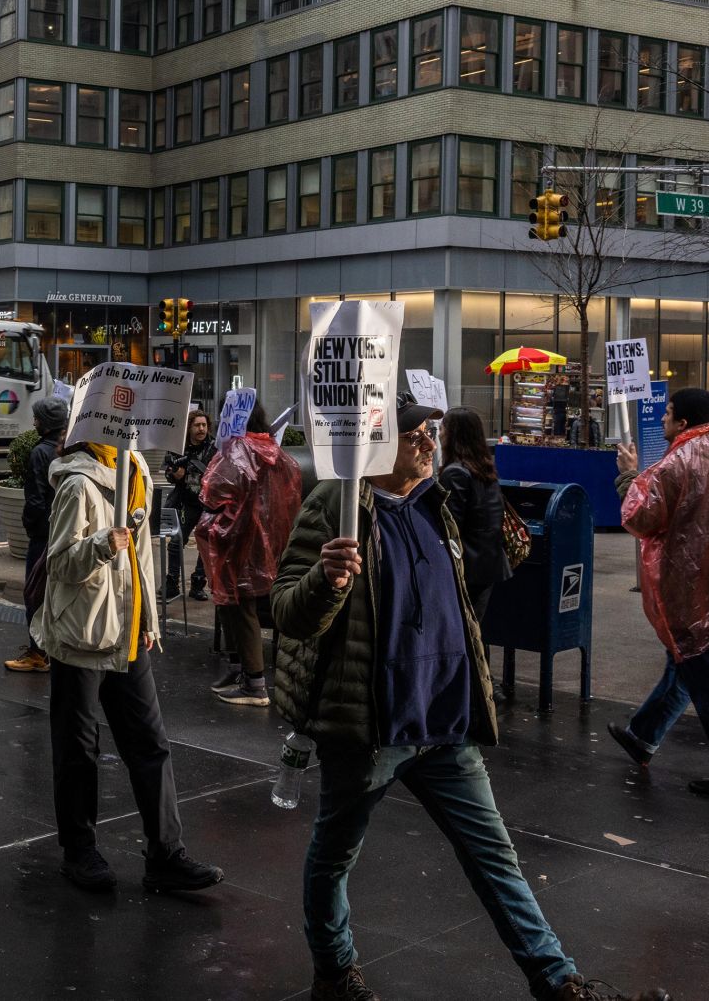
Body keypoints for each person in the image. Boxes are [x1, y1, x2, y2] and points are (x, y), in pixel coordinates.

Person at [272, 393, 669, 1001]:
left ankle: (558, 981)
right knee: (334, 855)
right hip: (372, 725)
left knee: (495, 858)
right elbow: (286, 614)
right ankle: (334, 969)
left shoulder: (438, 501)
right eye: (416, 436)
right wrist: (327, 582)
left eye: (432, 432)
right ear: (380, 444)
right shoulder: (336, 505)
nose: (431, 442)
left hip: (445, 718)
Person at [32, 438, 225, 895]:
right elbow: (58, 564)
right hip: (81, 634)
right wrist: (102, 543)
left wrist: (150, 620)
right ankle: (79, 851)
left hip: (128, 632)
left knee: (150, 744)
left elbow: (141, 560)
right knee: (79, 749)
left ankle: (166, 854)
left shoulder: (134, 469)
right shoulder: (78, 484)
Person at [607, 387, 709, 789]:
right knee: (686, 663)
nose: (663, 419)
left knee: (697, 667)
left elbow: (641, 515)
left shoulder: (679, 461)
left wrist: (629, 473)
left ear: (682, 422)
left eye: (667, 413)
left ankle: (643, 736)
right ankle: (643, 736)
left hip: (691, 590)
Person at [195, 403, 301, 707]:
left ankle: (254, 683)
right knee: (236, 604)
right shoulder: (273, 450)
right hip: (266, 541)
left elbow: (212, 492)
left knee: (239, 606)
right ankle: (241, 669)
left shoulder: (239, 450)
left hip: (236, 540)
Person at [5, 397, 68, 673]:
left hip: (44, 535)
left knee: (34, 592)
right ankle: (55, 650)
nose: (34, 422)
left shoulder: (39, 452)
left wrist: (34, 528)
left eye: (37, 418)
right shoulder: (70, 448)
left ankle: (37, 651)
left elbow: (36, 499)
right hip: (65, 530)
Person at [437, 407, 512, 623]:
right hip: (488, 565)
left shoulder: (455, 473)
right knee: (475, 630)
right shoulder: (484, 470)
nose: (439, 433)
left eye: (442, 428)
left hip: (468, 568)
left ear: (454, 433)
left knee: (464, 631)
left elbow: (450, 525)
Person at [163, 410, 216, 601]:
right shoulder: (178, 446)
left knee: (205, 545)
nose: (201, 429)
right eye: (197, 425)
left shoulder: (214, 447)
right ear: (189, 427)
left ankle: (198, 584)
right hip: (185, 502)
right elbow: (168, 471)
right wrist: (174, 475)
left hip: (208, 503)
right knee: (176, 542)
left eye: (204, 425)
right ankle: (172, 583)